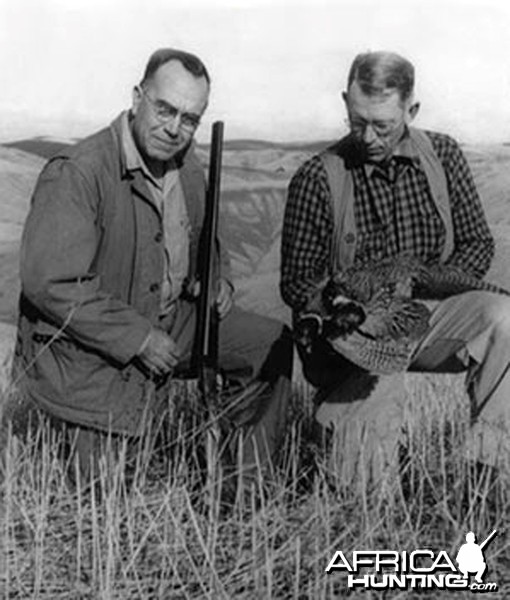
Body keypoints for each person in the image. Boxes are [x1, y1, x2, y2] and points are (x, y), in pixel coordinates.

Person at [13, 48, 293, 490]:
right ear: (137, 97)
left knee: (268, 344)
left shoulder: (187, 166)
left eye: (189, 118)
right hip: (90, 348)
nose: (174, 128)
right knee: (103, 500)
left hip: (166, 318)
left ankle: (244, 488)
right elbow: (51, 284)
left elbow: (202, 243)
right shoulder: (79, 173)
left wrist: (214, 280)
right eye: (165, 109)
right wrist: (139, 339)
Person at [281, 50, 510, 467]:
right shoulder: (316, 178)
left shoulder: (443, 156)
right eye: (357, 121)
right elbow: (297, 281)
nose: (368, 137)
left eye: (382, 125)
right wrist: (349, 305)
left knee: (506, 319)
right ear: (345, 103)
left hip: (431, 312)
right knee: (359, 491)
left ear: (411, 109)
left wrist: (429, 282)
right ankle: (349, 445)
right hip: (356, 330)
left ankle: (491, 469)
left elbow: (477, 243)